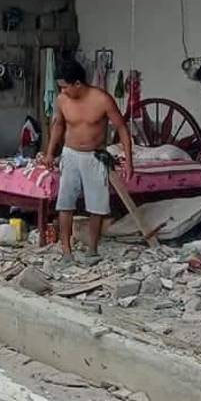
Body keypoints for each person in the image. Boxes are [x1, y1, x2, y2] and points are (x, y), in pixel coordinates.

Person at [42, 60, 133, 263]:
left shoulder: (102, 99)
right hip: (70, 155)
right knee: (65, 203)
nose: (62, 91)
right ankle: (66, 251)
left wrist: (128, 161)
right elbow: (58, 126)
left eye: (65, 86)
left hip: (95, 156)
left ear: (77, 83)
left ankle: (92, 250)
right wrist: (49, 153)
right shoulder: (62, 100)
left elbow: (121, 128)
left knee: (97, 206)